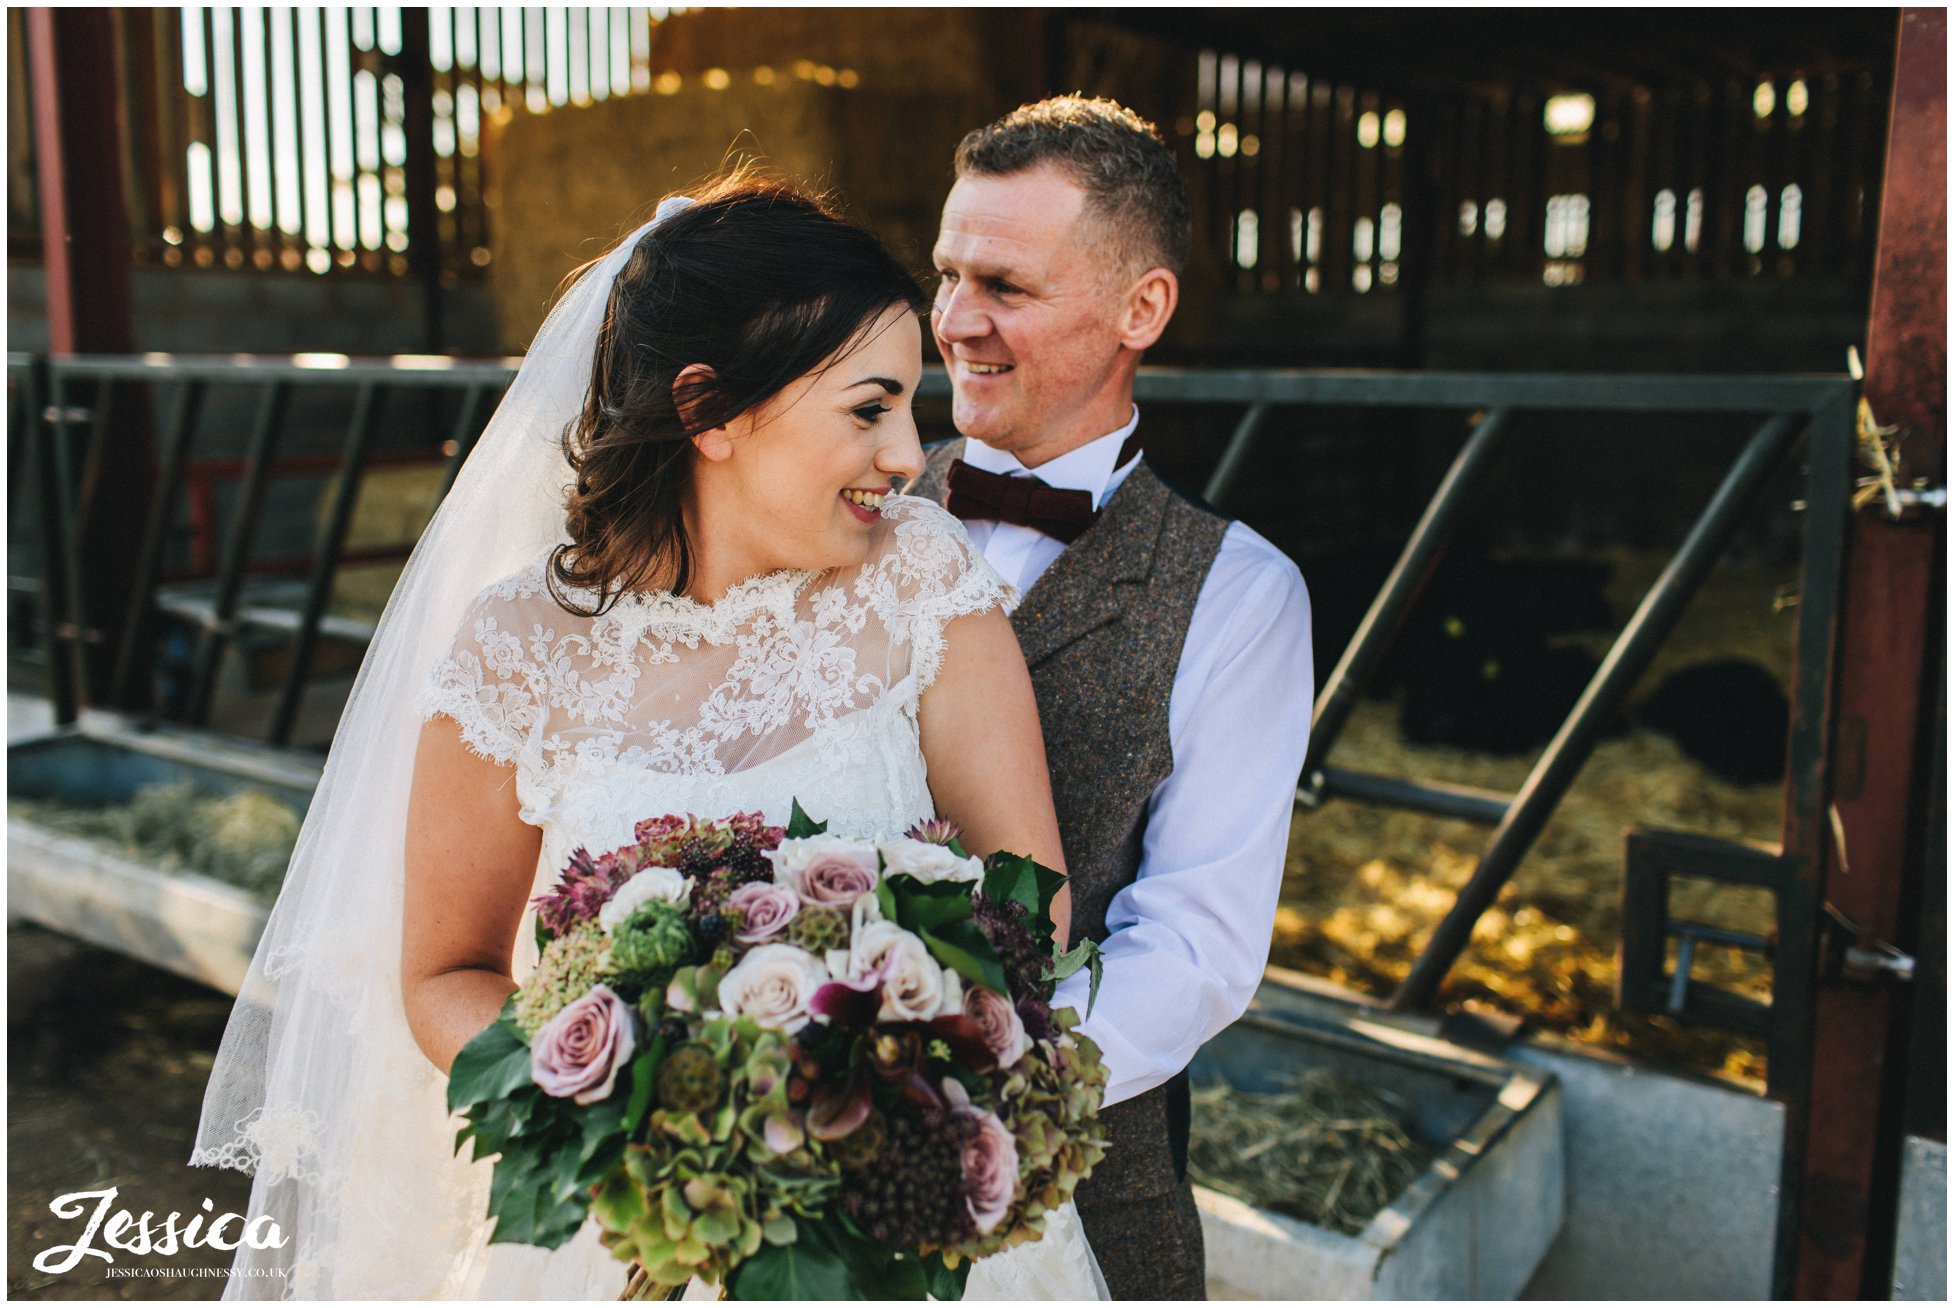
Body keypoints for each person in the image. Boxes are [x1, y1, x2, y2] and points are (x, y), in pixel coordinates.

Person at [192, 178, 1107, 1300]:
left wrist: (892, 1061)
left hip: (894, 1210)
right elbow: (445, 972)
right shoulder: (516, 648)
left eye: (908, 410)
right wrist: (635, 1094)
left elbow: (1031, 901)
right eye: (868, 409)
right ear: (708, 410)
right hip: (621, 1237)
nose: (908, 455)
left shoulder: (920, 581)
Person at [911, 96, 1314, 1299]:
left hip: (1082, 1195)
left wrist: (963, 1080)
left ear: (1142, 307)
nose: (954, 322)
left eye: (1005, 287)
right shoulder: (845, 510)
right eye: (944, 275)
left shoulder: (1241, 593)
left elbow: (1196, 942)